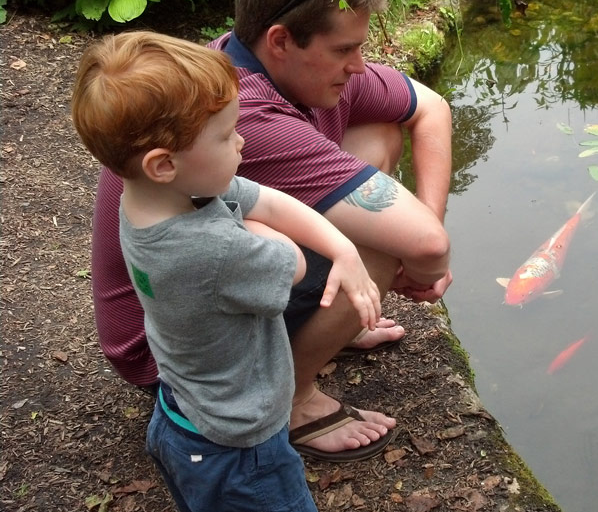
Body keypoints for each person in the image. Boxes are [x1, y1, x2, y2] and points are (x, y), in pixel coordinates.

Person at [89, 0, 453, 461]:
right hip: (174, 354)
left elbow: (431, 106)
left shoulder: (261, 65)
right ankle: (294, 401)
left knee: (379, 134)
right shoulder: (237, 119)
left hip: (206, 287)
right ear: (280, 40)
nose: (358, 66)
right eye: (344, 50)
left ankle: (327, 326)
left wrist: (425, 224)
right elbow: (426, 244)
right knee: (377, 247)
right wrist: (418, 265)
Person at [72, 31, 385, 510]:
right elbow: (295, 262)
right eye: (225, 135)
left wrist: (342, 248)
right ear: (163, 164)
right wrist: (261, 229)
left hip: (182, 411)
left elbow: (259, 197)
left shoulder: (149, 198)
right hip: (240, 448)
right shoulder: (213, 251)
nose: (241, 141)